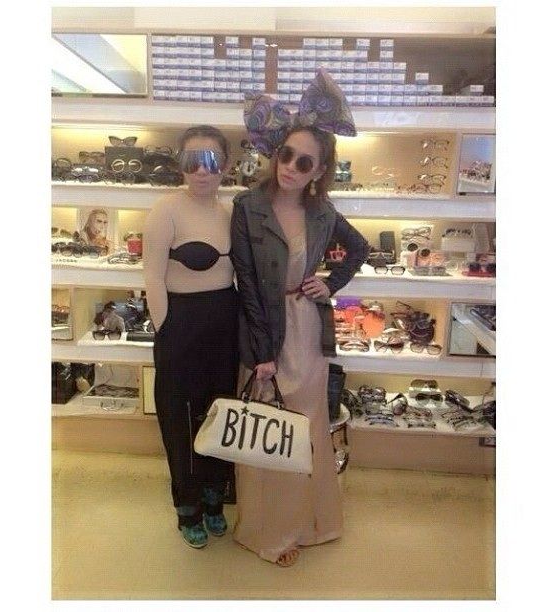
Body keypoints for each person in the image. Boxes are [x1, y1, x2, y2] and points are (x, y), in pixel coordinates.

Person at [231, 69, 370, 566]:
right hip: (266, 331)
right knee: (267, 431)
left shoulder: (322, 211)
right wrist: (261, 355)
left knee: (307, 427)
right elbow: (248, 285)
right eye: (286, 155)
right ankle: (270, 532)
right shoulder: (248, 207)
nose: (290, 166)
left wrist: (329, 283)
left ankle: (309, 524)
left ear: (319, 170)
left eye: (304, 161)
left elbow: (359, 248)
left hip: (308, 331)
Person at [143, 126, 239, 549]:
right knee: (178, 419)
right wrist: (165, 327)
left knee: (220, 413)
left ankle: (216, 498)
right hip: (179, 323)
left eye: (212, 161)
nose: (202, 170)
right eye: (192, 161)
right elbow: (152, 276)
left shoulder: (231, 212)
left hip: (224, 322)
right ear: (180, 164)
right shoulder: (165, 210)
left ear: (226, 166)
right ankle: (188, 507)